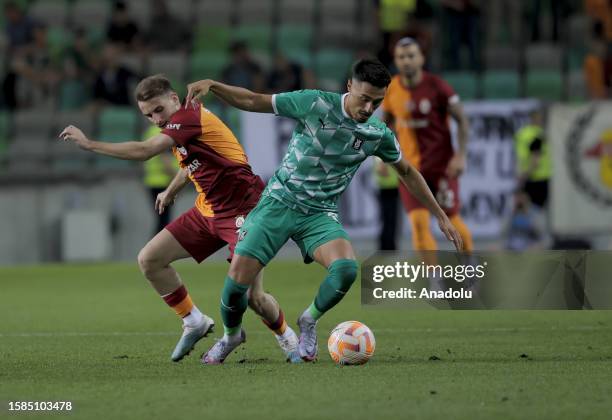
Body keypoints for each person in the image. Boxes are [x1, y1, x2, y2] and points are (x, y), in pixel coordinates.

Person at [185, 58, 463, 364]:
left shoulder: (377, 134)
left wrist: (439, 213)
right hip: (278, 202)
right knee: (236, 286)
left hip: (319, 213)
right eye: (364, 99)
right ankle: (231, 335)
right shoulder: (314, 103)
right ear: (349, 87)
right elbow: (254, 100)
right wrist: (213, 85)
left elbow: (407, 172)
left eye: (377, 102)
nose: (369, 108)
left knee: (346, 269)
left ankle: (308, 320)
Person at [59, 75, 300, 363]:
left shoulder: (187, 117)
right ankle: (194, 321)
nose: (155, 120)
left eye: (158, 110)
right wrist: (171, 190)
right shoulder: (181, 123)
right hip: (208, 209)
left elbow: (145, 151)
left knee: (252, 298)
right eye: (148, 115)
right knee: (150, 259)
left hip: (245, 211)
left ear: (174, 98)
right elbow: (193, 162)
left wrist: (89, 145)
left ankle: (287, 337)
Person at [382, 37, 473, 255]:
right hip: (410, 171)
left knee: (453, 223)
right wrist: (382, 158)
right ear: (396, 60)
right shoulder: (392, 89)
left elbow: (462, 120)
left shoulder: (437, 86)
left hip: (442, 169)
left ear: (421, 58)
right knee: (419, 225)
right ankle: (434, 283)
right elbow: (386, 124)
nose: (407, 61)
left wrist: (460, 155)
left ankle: (470, 272)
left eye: (411, 56)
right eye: (402, 57)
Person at [141, 124, 179, 235]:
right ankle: (154, 250)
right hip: (164, 183)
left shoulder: (151, 130)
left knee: (161, 220)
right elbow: (165, 160)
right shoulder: (164, 132)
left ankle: (154, 250)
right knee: (164, 222)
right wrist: (177, 181)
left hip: (153, 181)